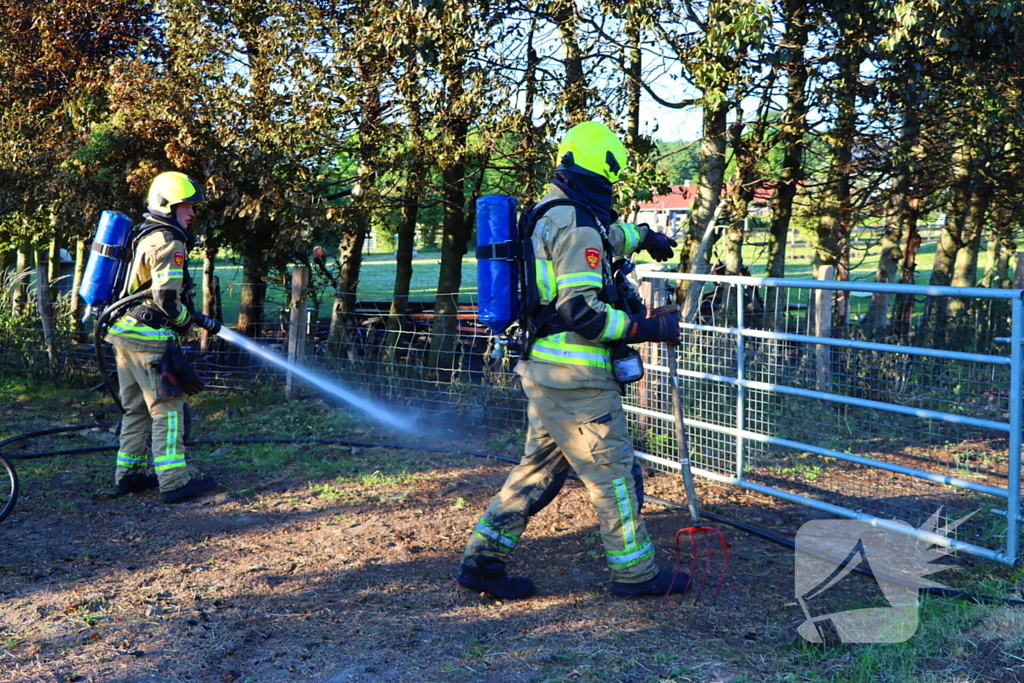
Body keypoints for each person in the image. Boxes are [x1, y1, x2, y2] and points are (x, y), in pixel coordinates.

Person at [458, 121, 685, 599]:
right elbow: (580, 310)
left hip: (545, 370)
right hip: (577, 377)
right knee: (613, 476)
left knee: (537, 471)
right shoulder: (578, 221)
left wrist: (642, 235)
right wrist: (648, 329)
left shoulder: (551, 210)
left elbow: (602, 239)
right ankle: (637, 574)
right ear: (599, 170)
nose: (611, 186)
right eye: (611, 177)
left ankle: (482, 562)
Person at [106, 171, 222, 504]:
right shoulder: (170, 241)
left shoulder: (147, 233)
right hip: (148, 338)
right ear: (167, 206)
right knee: (167, 408)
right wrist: (187, 322)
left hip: (123, 332)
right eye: (186, 207)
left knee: (136, 410)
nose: (192, 213)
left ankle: (127, 477)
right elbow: (166, 299)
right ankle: (173, 481)